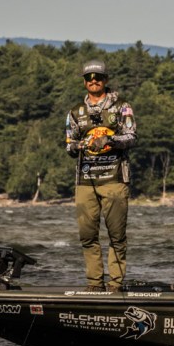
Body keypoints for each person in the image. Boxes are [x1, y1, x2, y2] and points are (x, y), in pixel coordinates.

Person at [65, 60, 137, 292]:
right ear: (84, 81)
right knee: (87, 235)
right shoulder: (75, 112)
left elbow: (132, 137)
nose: (93, 81)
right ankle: (94, 284)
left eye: (97, 77)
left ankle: (115, 284)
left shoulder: (122, 107)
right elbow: (69, 145)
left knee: (117, 235)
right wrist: (79, 145)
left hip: (114, 179)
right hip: (85, 182)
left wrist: (110, 140)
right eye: (89, 77)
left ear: (106, 79)